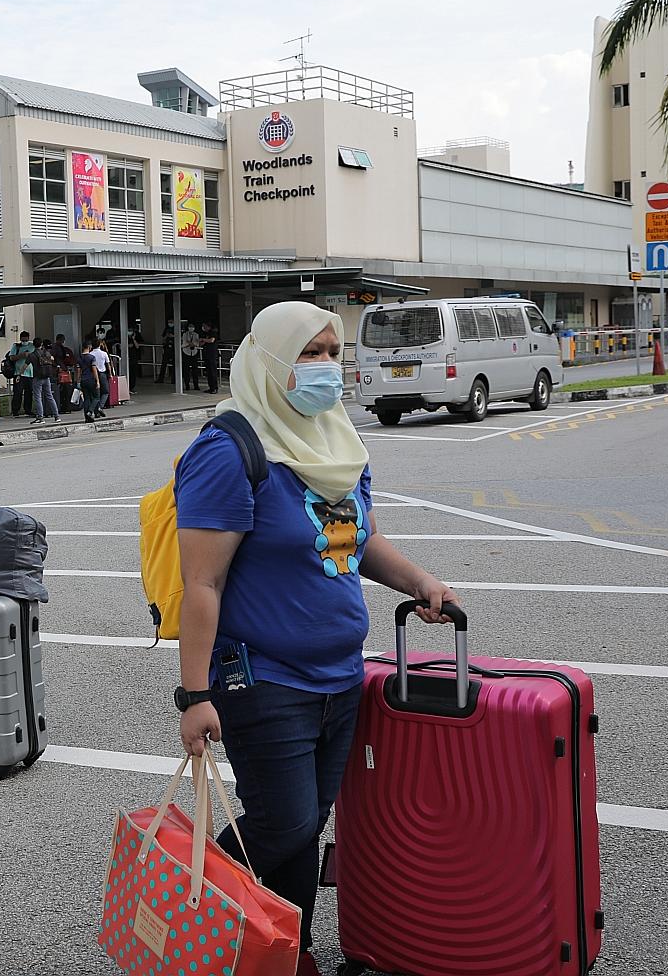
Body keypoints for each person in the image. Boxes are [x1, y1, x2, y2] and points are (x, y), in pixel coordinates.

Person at [173, 302, 459, 975]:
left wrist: (420, 583)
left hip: (340, 678)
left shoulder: (337, 444)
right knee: (283, 826)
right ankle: (187, 908)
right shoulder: (230, 451)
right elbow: (202, 585)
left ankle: (285, 954)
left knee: (303, 831)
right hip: (264, 680)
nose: (326, 365)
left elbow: (358, 542)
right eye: (309, 352)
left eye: (333, 351)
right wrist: (192, 695)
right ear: (271, 359)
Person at [30, 339, 60, 424]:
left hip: (37, 378)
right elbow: (52, 359)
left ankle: (40, 418)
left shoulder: (32, 355)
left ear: (33, 345)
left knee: (38, 397)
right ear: (41, 344)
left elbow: (25, 365)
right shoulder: (47, 353)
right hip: (47, 377)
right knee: (50, 396)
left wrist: (19, 375)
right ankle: (56, 416)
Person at [9, 331, 36, 417]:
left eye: (26, 339)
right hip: (18, 373)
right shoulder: (16, 346)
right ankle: (15, 410)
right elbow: (11, 357)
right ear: (20, 339)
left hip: (30, 373)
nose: (24, 341)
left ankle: (28, 409)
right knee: (18, 392)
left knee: (29, 392)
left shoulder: (32, 346)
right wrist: (21, 355)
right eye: (23, 340)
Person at [78, 340, 105, 422]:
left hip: (83, 380)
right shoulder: (91, 358)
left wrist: (78, 381)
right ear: (89, 347)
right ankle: (90, 411)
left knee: (86, 398)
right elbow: (94, 370)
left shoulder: (79, 358)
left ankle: (87, 418)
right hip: (91, 379)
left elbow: (78, 371)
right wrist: (97, 381)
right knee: (96, 397)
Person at [52, 334, 77, 413]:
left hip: (60, 371)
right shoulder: (62, 349)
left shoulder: (56, 348)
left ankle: (63, 407)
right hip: (63, 371)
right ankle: (66, 407)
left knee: (62, 391)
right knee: (66, 390)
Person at [198, 322, 221, 395]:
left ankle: (215, 388)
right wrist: (202, 341)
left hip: (212, 355)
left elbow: (212, 340)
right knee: (208, 372)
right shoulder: (205, 334)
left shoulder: (213, 332)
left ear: (208, 326)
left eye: (205, 326)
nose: (203, 328)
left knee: (213, 371)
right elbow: (201, 343)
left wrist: (203, 340)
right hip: (206, 354)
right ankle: (211, 387)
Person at [90, 337, 111, 408]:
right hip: (102, 373)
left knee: (96, 392)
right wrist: (110, 374)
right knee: (105, 391)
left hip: (93, 374)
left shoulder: (90, 354)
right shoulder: (104, 353)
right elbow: (108, 365)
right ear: (99, 345)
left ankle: (96, 406)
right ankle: (100, 406)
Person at [182, 323, 202, 391]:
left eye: (192, 327)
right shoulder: (185, 334)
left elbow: (197, 343)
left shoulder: (196, 335)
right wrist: (191, 344)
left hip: (194, 353)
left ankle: (196, 385)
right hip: (186, 353)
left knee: (195, 371)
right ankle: (187, 385)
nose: (191, 328)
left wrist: (191, 343)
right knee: (186, 370)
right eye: (190, 327)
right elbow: (184, 344)